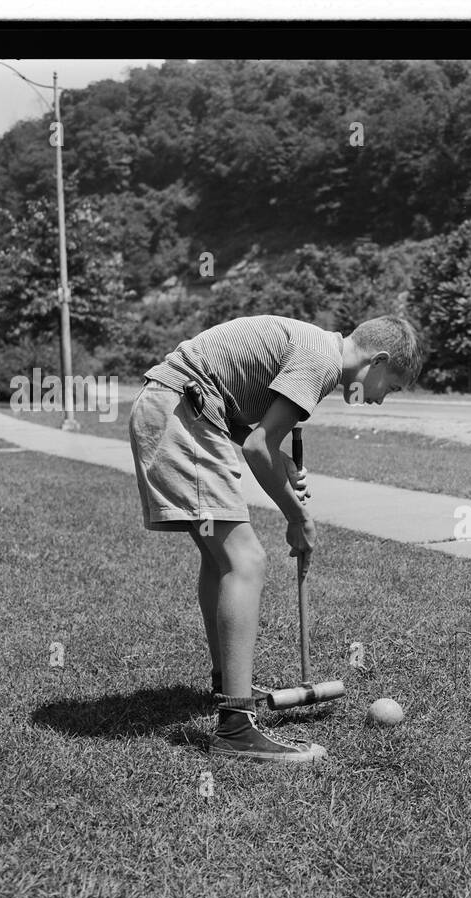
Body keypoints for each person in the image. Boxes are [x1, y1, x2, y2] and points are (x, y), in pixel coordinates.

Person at [128, 313, 424, 760]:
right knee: (246, 562)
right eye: (392, 386)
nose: (382, 399)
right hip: (182, 414)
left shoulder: (315, 346)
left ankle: (226, 685)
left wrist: (277, 455)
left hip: (179, 408)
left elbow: (254, 433)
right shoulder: (322, 360)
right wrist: (297, 515)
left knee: (221, 559)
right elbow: (256, 450)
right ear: (378, 360)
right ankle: (235, 728)